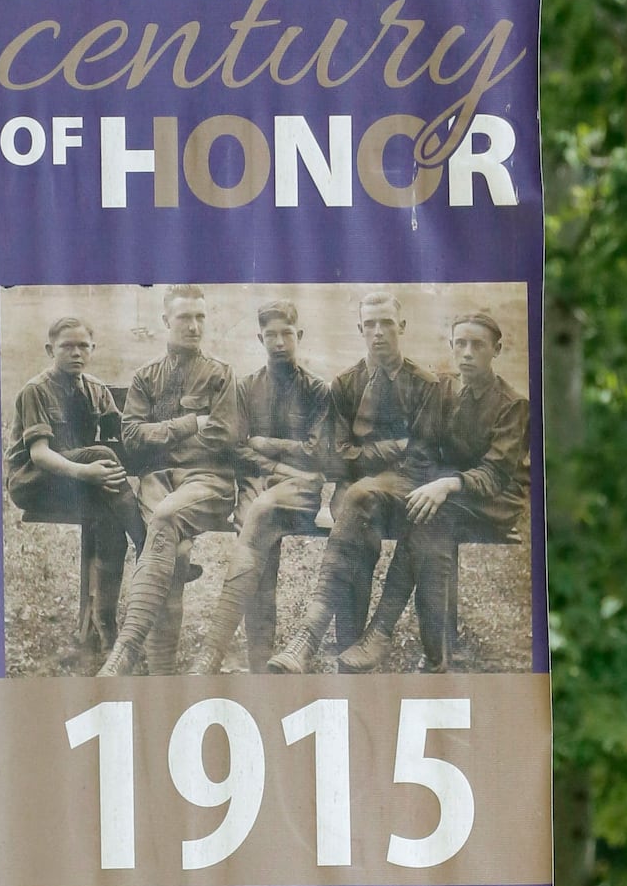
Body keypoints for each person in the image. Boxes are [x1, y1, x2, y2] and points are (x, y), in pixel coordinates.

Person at [338, 309, 530, 672]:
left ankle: (394, 637)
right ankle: (425, 654)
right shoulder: (443, 388)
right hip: (440, 486)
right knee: (367, 494)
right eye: (461, 344)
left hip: (490, 498)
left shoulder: (512, 404)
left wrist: (445, 484)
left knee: (430, 518)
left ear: (497, 350)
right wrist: (420, 483)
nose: (468, 353)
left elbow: (495, 474)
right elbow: (422, 448)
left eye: (478, 345)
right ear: (452, 347)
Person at [266, 289, 434, 672]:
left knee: (359, 500)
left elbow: (423, 456)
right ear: (360, 329)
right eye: (370, 324)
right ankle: (349, 648)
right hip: (356, 491)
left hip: (406, 490)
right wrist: (394, 446)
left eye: (387, 324)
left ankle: (309, 636)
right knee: (356, 510)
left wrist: (371, 460)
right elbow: (337, 457)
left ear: (402, 327)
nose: (378, 332)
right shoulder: (346, 384)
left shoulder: (424, 384)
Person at [99, 288, 243, 677]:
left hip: (207, 482)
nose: (194, 326)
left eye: (200, 317)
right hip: (158, 481)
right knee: (174, 554)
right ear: (166, 321)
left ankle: (126, 649)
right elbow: (130, 436)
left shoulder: (220, 374)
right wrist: (187, 424)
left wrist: (160, 435)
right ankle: (163, 673)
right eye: (184, 318)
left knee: (163, 520)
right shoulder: (146, 377)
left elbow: (224, 435)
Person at [192, 300, 330, 674]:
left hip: (299, 493)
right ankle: (259, 659)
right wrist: (280, 464)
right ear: (260, 338)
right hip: (258, 484)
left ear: (299, 335)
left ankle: (211, 652)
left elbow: (317, 452)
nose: (280, 343)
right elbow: (236, 447)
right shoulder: (246, 387)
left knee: (260, 516)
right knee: (256, 534)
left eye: (287, 334)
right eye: (271, 335)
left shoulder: (317, 390)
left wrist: (266, 444)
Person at [5, 315, 145, 665]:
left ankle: (104, 628)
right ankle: (149, 545)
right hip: (36, 481)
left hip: (78, 482)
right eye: (67, 346)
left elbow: (120, 437)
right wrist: (90, 472)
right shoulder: (36, 390)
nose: (76, 353)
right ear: (50, 349)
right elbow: (39, 455)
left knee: (112, 526)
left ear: (93, 349)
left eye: (84, 346)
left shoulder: (96, 389)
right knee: (100, 454)